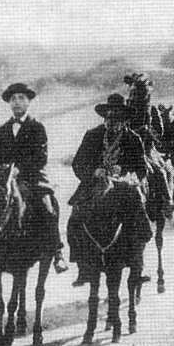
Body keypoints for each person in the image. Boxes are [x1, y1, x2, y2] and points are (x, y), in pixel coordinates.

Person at [66, 94, 153, 285]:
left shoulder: (133, 138)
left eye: (118, 117)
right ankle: (83, 266)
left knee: (137, 214)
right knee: (75, 217)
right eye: (109, 116)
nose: (113, 121)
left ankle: (137, 263)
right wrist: (93, 171)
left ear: (124, 119)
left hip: (124, 185)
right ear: (104, 117)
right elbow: (77, 163)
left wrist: (124, 170)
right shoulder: (92, 135)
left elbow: (142, 168)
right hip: (94, 183)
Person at [0, 82, 67, 273]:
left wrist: (19, 170)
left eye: (21, 98)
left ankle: (57, 253)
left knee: (48, 206)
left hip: (32, 178)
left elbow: (41, 158)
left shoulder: (37, 127)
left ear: (28, 102)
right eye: (13, 99)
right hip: (5, 180)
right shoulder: (2, 130)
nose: (17, 102)